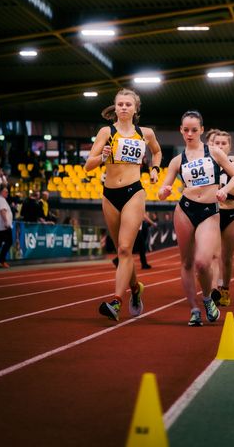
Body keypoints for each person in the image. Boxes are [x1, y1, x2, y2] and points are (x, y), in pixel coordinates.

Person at [85, 88, 162, 322]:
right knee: (121, 252)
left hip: (134, 191)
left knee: (125, 249)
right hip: (109, 194)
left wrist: (155, 170)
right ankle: (136, 289)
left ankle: (116, 302)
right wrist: (102, 157)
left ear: (136, 108)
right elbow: (89, 165)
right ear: (115, 107)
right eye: (120, 104)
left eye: (129, 104)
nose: (124, 107)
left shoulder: (145, 133)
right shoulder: (105, 132)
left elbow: (157, 152)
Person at [158, 110, 234, 326]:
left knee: (203, 262)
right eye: (185, 130)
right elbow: (164, 186)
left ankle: (207, 298)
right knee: (186, 262)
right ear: (180, 130)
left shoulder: (214, 153)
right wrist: (164, 191)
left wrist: (225, 190)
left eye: (194, 130)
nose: (189, 133)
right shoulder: (177, 160)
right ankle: (194, 309)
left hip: (209, 211)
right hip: (185, 209)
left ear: (202, 130)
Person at [211, 131, 234, 306]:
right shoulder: (208, 163)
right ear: (212, 144)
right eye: (218, 143)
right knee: (214, 255)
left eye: (224, 143)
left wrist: (223, 189)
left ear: (229, 146)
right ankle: (214, 288)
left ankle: (225, 289)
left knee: (227, 257)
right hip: (213, 213)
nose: (221, 146)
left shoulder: (233, 164)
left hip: (230, 213)